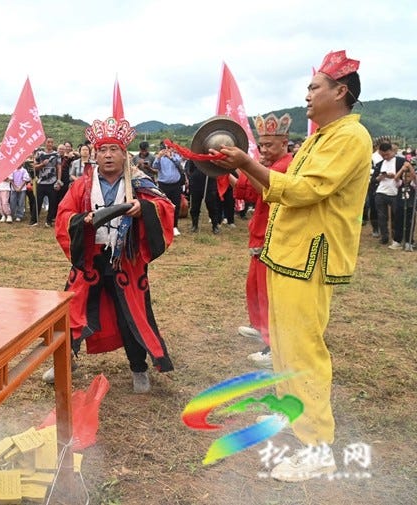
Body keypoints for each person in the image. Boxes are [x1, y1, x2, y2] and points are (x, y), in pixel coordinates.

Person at [212, 50, 371, 482]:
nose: (306, 95)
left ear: (340, 92)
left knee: (303, 352)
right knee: (282, 347)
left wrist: (248, 162)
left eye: (313, 87)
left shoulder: (350, 138)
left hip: (309, 257)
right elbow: (276, 191)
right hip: (286, 256)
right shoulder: (322, 136)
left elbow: (302, 191)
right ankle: (297, 419)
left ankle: (318, 447)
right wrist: (240, 170)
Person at [51, 117, 176, 393]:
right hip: (90, 259)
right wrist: (83, 220)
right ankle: (64, 363)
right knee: (71, 312)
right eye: (103, 150)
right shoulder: (82, 186)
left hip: (126, 263)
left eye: (114, 150)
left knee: (130, 315)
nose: (108, 155)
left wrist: (143, 208)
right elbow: (63, 216)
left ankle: (138, 368)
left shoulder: (139, 182)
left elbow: (165, 208)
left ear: (124, 154)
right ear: (95, 154)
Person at [232, 113, 294, 368]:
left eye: (270, 145)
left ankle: (274, 347)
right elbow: (246, 192)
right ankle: (261, 328)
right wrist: (224, 171)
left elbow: (266, 191)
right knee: (255, 288)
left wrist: (246, 163)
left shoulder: (285, 165)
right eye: (262, 145)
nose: (265, 149)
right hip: (259, 232)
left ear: (285, 143)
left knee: (268, 294)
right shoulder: (266, 165)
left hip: (275, 236)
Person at [373, 141, 410, 248]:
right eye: (383, 155)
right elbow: (374, 179)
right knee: (382, 216)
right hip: (381, 192)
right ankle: (384, 237)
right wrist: (381, 177)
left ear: (392, 151)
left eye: (387, 154)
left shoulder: (401, 161)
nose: (385, 157)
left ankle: (396, 237)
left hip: (395, 193)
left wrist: (396, 176)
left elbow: (407, 174)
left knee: (397, 216)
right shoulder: (380, 164)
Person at [152, 146, 184, 236]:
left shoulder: (176, 156)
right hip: (163, 185)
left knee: (176, 206)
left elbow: (179, 165)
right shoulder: (159, 157)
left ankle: (174, 226)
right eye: (165, 148)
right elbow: (154, 166)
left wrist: (171, 157)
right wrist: (159, 157)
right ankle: (163, 226)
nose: (167, 150)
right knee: (163, 205)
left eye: (169, 147)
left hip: (175, 185)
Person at [32, 137, 62, 227]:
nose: (50, 144)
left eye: (51, 142)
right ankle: (34, 220)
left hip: (52, 181)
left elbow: (59, 168)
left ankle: (48, 221)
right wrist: (42, 164)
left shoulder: (57, 154)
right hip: (41, 181)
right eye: (48, 142)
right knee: (38, 201)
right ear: (45, 142)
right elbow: (34, 167)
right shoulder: (39, 153)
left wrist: (59, 180)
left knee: (52, 202)